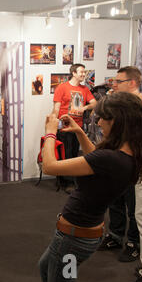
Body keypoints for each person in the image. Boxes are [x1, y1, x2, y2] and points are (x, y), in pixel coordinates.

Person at [39, 92, 142, 282]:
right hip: (80, 234)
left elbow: (49, 166)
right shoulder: (126, 154)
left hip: (73, 240)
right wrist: (79, 132)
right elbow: (96, 159)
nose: (98, 123)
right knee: (45, 267)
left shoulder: (111, 158)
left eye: (102, 118)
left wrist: (50, 133)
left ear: (116, 122)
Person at [98, 67, 142, 262]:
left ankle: (133, 243)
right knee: (115, 200)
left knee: (134, 206)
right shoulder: (117, 104)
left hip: (134, 163)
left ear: (132, 83)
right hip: (115, 159)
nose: (114, 84)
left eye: (118, 81)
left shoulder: (141, 105)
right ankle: (116, 236)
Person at [53, 63, 97, 194]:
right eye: (81, 72)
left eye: (84, 72)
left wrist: (85, 108)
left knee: (73, 153)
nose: (83, 74)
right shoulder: (62, 87)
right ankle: (66, 181)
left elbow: (95, 102)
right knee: (65, 153)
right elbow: (56, 107)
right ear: (73, 73)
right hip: (64, 126)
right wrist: (55, 121)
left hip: (77, 126)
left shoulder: (85, 89)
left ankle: (69, 180)